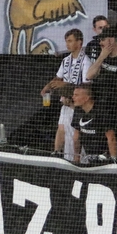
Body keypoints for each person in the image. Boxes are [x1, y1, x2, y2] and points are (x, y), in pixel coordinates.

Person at [42, 29, 86, 161]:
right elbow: (58, 78)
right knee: (61, 129)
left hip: (77, 105)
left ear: (79, 42)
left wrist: (64, 85)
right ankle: (56, 153)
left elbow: (86, 86)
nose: (67, 44)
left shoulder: (86, 60)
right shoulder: (66, 60)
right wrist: (47, 87)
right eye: (66, 41)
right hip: (65, 103)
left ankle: (77, 161)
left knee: (75, 136)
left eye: (70, 41)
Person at [69, 83, 117, 163]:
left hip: (105, 158)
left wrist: (114, 161)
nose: (73, 97)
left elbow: (111, 137)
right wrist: (76, 158)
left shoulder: (102, 111)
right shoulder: (78, 110)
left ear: (87, 98)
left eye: (76, 95)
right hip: (90, 157)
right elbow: (76, 137)